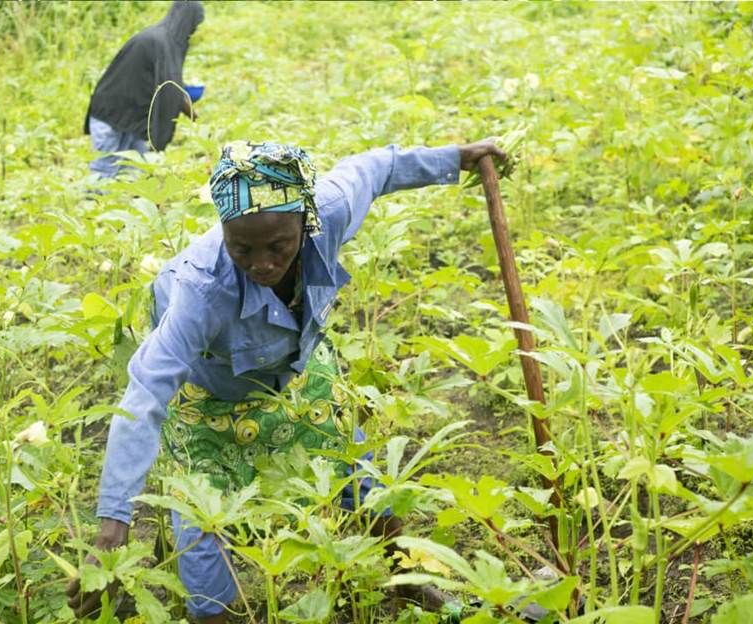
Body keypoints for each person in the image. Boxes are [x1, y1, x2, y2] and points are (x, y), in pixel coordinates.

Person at [66, 139, 509, 621]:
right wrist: (113, 525)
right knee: (202, 523)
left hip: (296, 371)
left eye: (277, 246)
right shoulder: (200, 289)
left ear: (305, 220)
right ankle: (209, 613)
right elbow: (145, 392)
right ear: (224, 232)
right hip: (209, 397)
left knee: (358, 474)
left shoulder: (330, 212)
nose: (261, 263)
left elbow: (375, 168)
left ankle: (407, 584)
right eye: (242, 248)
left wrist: (457, 157)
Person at [84, 0, 204, 179]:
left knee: (137, 173)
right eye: (194, 24)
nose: (193, 30)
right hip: (111, 114)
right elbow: (171, 90)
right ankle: (93, 206)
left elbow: (172, 87)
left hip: (134, 117)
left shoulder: (166, 42)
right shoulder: (157, 41)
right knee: (105, 171)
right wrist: (196, 120)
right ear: (187, 20)